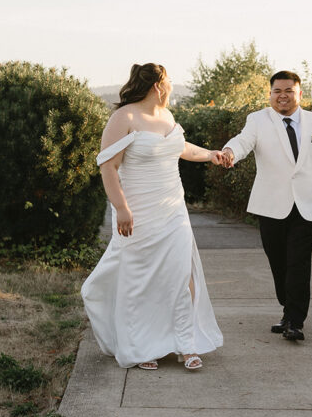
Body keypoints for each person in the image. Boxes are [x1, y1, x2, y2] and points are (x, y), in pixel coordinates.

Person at [81, 63, 224, 370]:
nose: (171, 86)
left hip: (173, 211)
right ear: (158, 85)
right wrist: (121, 208)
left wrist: (211, 154)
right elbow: (108, 167)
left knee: (181, 274)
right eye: (169, 81)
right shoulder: (124, 117)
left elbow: (181, 147)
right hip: (138, 212)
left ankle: (187, 344)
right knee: (142, 280)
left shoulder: (167, 116)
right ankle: (143, 346)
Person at [221, 70, 312, 342]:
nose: (282, 96)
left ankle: (296, 321)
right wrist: (230, 152)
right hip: (271, 206)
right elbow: (244, 141)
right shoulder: (257, 120)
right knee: (279, 263)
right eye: (277, 91)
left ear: (299, 93)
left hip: (307, 207)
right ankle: (287, 310)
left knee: (298, 263)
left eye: (288, 91)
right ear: (270, 94)